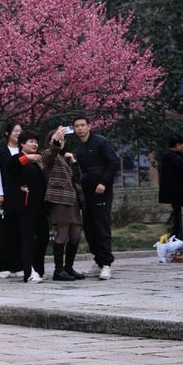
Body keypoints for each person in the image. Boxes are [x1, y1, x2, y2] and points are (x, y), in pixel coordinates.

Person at [73, 116, 120, 280]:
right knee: (90, 229)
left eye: (82, 125)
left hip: (101, 191)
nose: (80, 128)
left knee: (101, 227)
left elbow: (114, 163)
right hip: (86, 193)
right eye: (77, 126)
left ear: (89, 126)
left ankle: (106, 264)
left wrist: (104, 182)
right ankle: (99, 261)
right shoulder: (79, 148)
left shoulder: (101, 142)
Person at [43, 127, 85, 281]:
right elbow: (50, 155)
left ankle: (68, 268)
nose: (61, 142)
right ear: (52, 141)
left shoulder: (63, 158)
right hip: (59, 199)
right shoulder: (49, 154)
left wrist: (73, 162)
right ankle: (58, 270)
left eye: (62, 140)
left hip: (73, 200)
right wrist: (55, 139)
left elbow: (78, 178)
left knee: (75, 235)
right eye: (58, 140)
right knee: (62, 233)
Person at [8, 129, 49, 283]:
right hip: (25, 207)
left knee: (43, 237)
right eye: (31, 141)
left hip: (39, 207)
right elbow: (12, 167)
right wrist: (27, 157)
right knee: (28, 239)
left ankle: (38, 269)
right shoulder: (18, 158)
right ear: (22, 144)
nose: (35, 144)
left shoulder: (38, 161)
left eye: (36, 141)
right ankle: (29, 271)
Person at [0, 121, 25, 278]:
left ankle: (18, 264)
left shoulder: (24, 150)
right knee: (5, 229)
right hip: (5, 194)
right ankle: (3, 264)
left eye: (20, 131)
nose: (18, 133)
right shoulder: (0, 152)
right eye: (15, 131)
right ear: (7, 133)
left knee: (19, 229)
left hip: (22, 194)